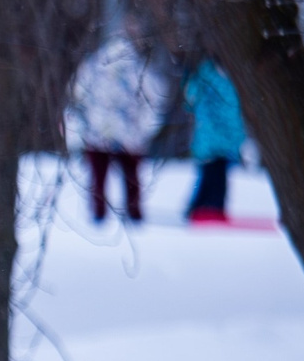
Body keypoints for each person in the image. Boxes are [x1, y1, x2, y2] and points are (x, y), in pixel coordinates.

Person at [66, 29, 166, 224]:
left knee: (98, 179)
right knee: (131, 179)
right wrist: (144, 130)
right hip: (129, 136)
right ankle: (134, 213)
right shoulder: (138, 68)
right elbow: (154, 101)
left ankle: (98, 214)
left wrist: (84, 128)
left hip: (97, 134)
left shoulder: (91, 67)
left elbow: (76, 97)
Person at [183, 58, 245, 222]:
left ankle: (199, 207)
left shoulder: (202, 79)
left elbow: (189, 101)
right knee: (216, 174)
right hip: (218, 139)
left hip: (209, 138)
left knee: (210, 173)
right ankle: (210, 208)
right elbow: (232, 113)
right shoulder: (224, 81)